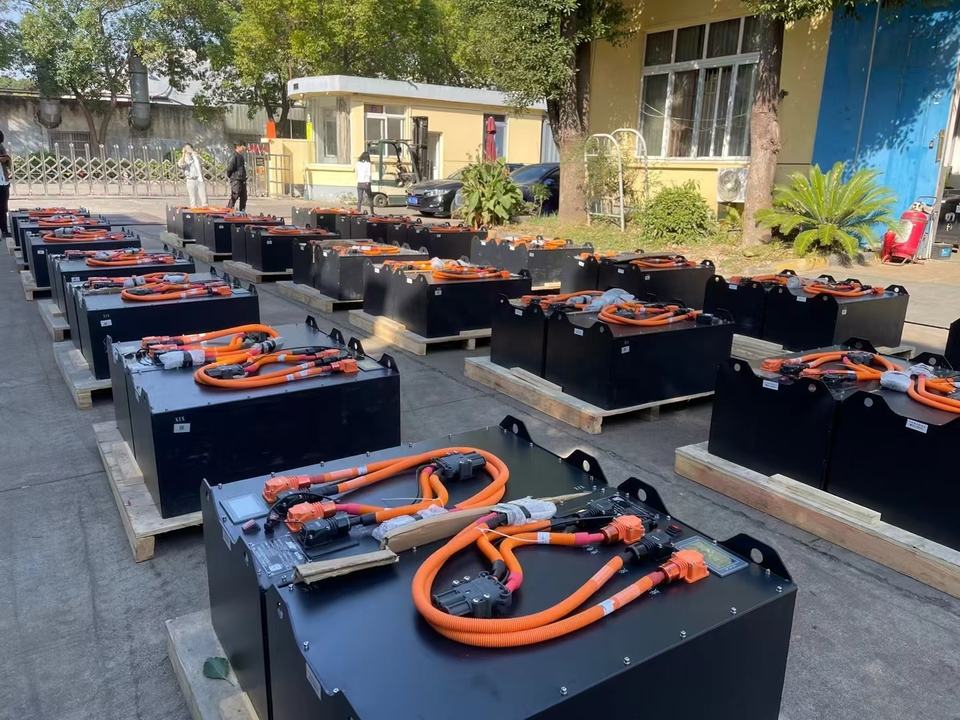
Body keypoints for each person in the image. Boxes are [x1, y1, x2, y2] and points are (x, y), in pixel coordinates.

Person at [225, 142, 248, 212]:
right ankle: (228, 210)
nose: (244, 148)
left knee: (244, 197)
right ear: (238, 146)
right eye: (243, 146)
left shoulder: (240, 156)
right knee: (235, 195)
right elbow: (230, 168)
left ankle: (242, 212)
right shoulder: (234, 156)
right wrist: (231, 176)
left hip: (242, 179)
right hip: (236, 179)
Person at [0, 131, 10, 239]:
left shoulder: (1, 147)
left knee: (3, 208)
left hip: (3, 182)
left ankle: (4, 231)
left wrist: (6, 158)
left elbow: (7, 162)